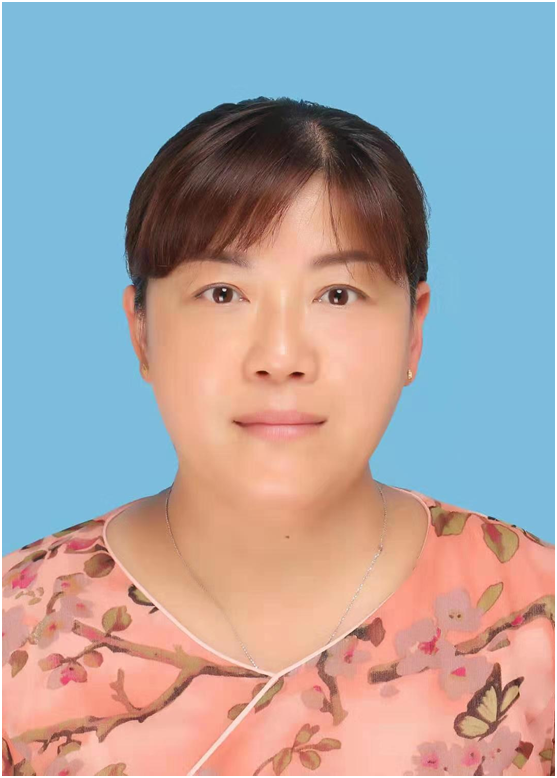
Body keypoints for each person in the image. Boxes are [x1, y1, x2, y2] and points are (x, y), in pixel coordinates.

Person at [2, 97, 554, 778]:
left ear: (413, 331)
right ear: (141, 331)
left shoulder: (534, 614)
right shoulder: (22, 624)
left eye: (337, 294)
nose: (282, 356)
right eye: (223, 294)